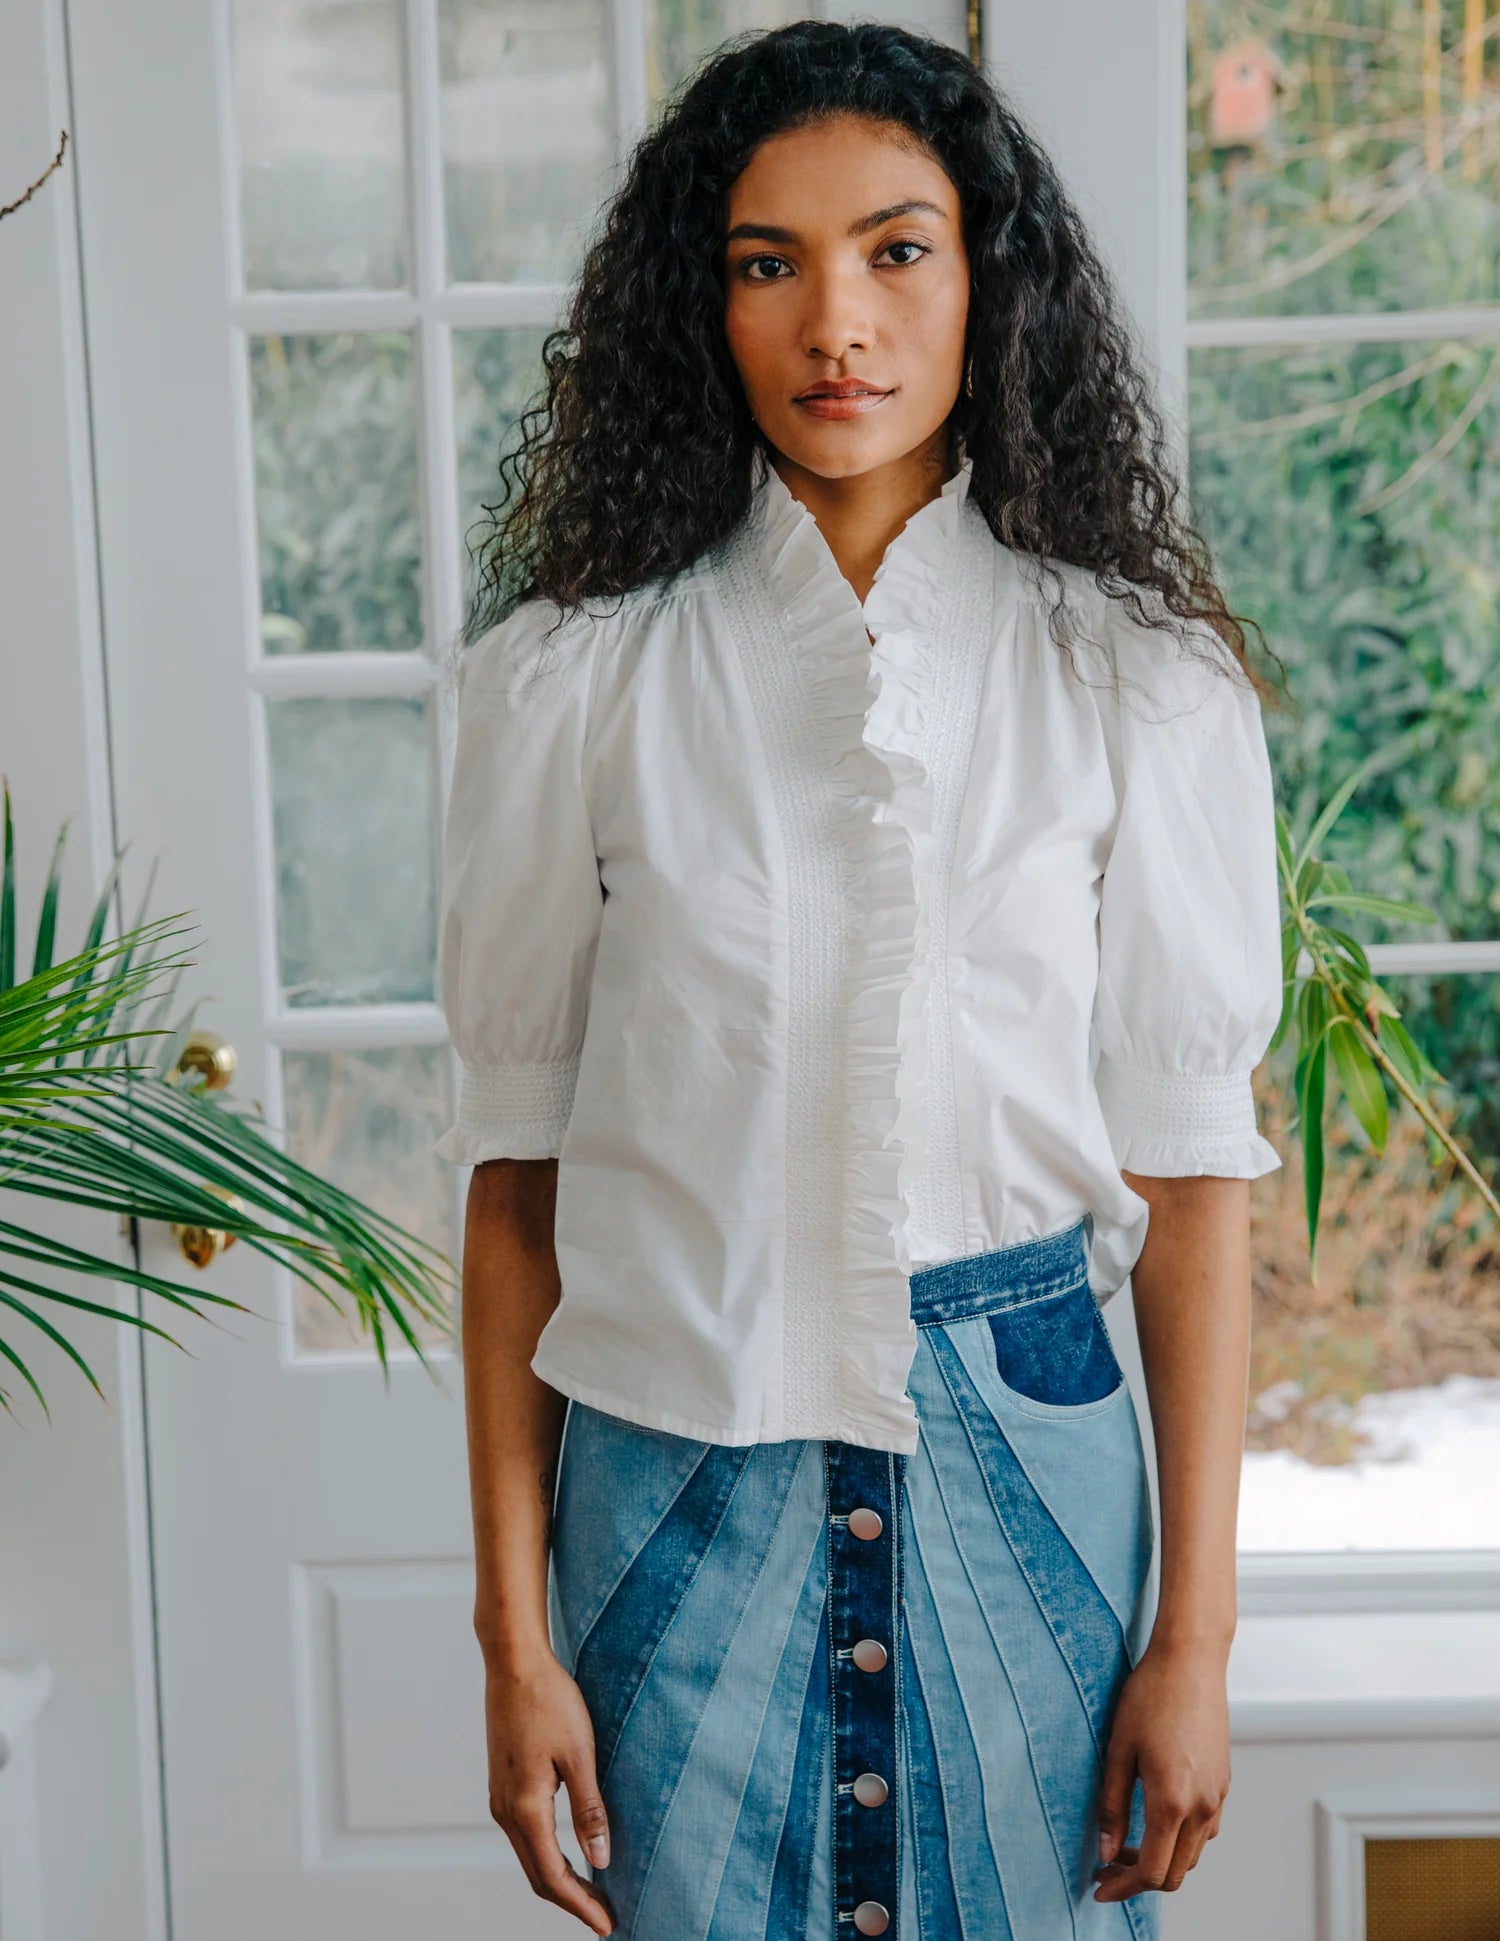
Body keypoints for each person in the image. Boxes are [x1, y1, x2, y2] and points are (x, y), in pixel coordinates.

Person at [434, 21, 1287, 1941]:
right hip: (668, 1490)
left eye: (899, 251)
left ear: (988, 280)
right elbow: (517, 1185)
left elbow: (1196, 1191)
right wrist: (512, 1641)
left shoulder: (1139, 686)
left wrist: (1199, 1638)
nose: (840, 322)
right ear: (701, 302)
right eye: (769, 262)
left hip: (1036, 1464)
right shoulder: (570, 686)